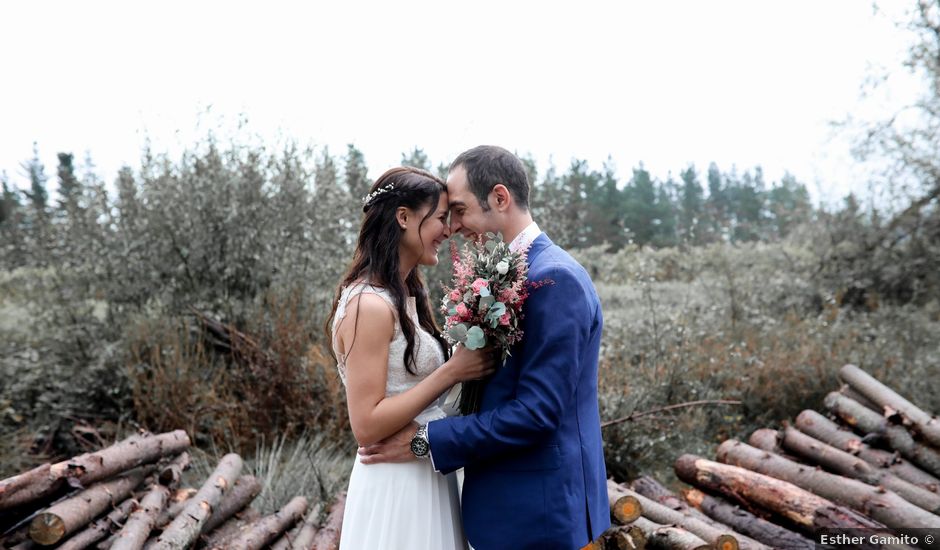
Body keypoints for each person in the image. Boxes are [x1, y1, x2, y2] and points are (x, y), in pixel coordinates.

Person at [359, 146, 610, 549]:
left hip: (539, 511)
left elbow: (538, 412)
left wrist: (427, 440)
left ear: (499, 198)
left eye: (459, 210)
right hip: (503, 505)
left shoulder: (554, 280)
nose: (453, 226)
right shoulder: (507, 275)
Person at [326, 166, 495, 550]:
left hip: (427, 472)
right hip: (395, 485)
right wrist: (452, 371)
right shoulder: (367, 305)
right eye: (439, 218)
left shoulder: (404, 295)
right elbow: (366, 425)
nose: (449, 229)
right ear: (404, 217)